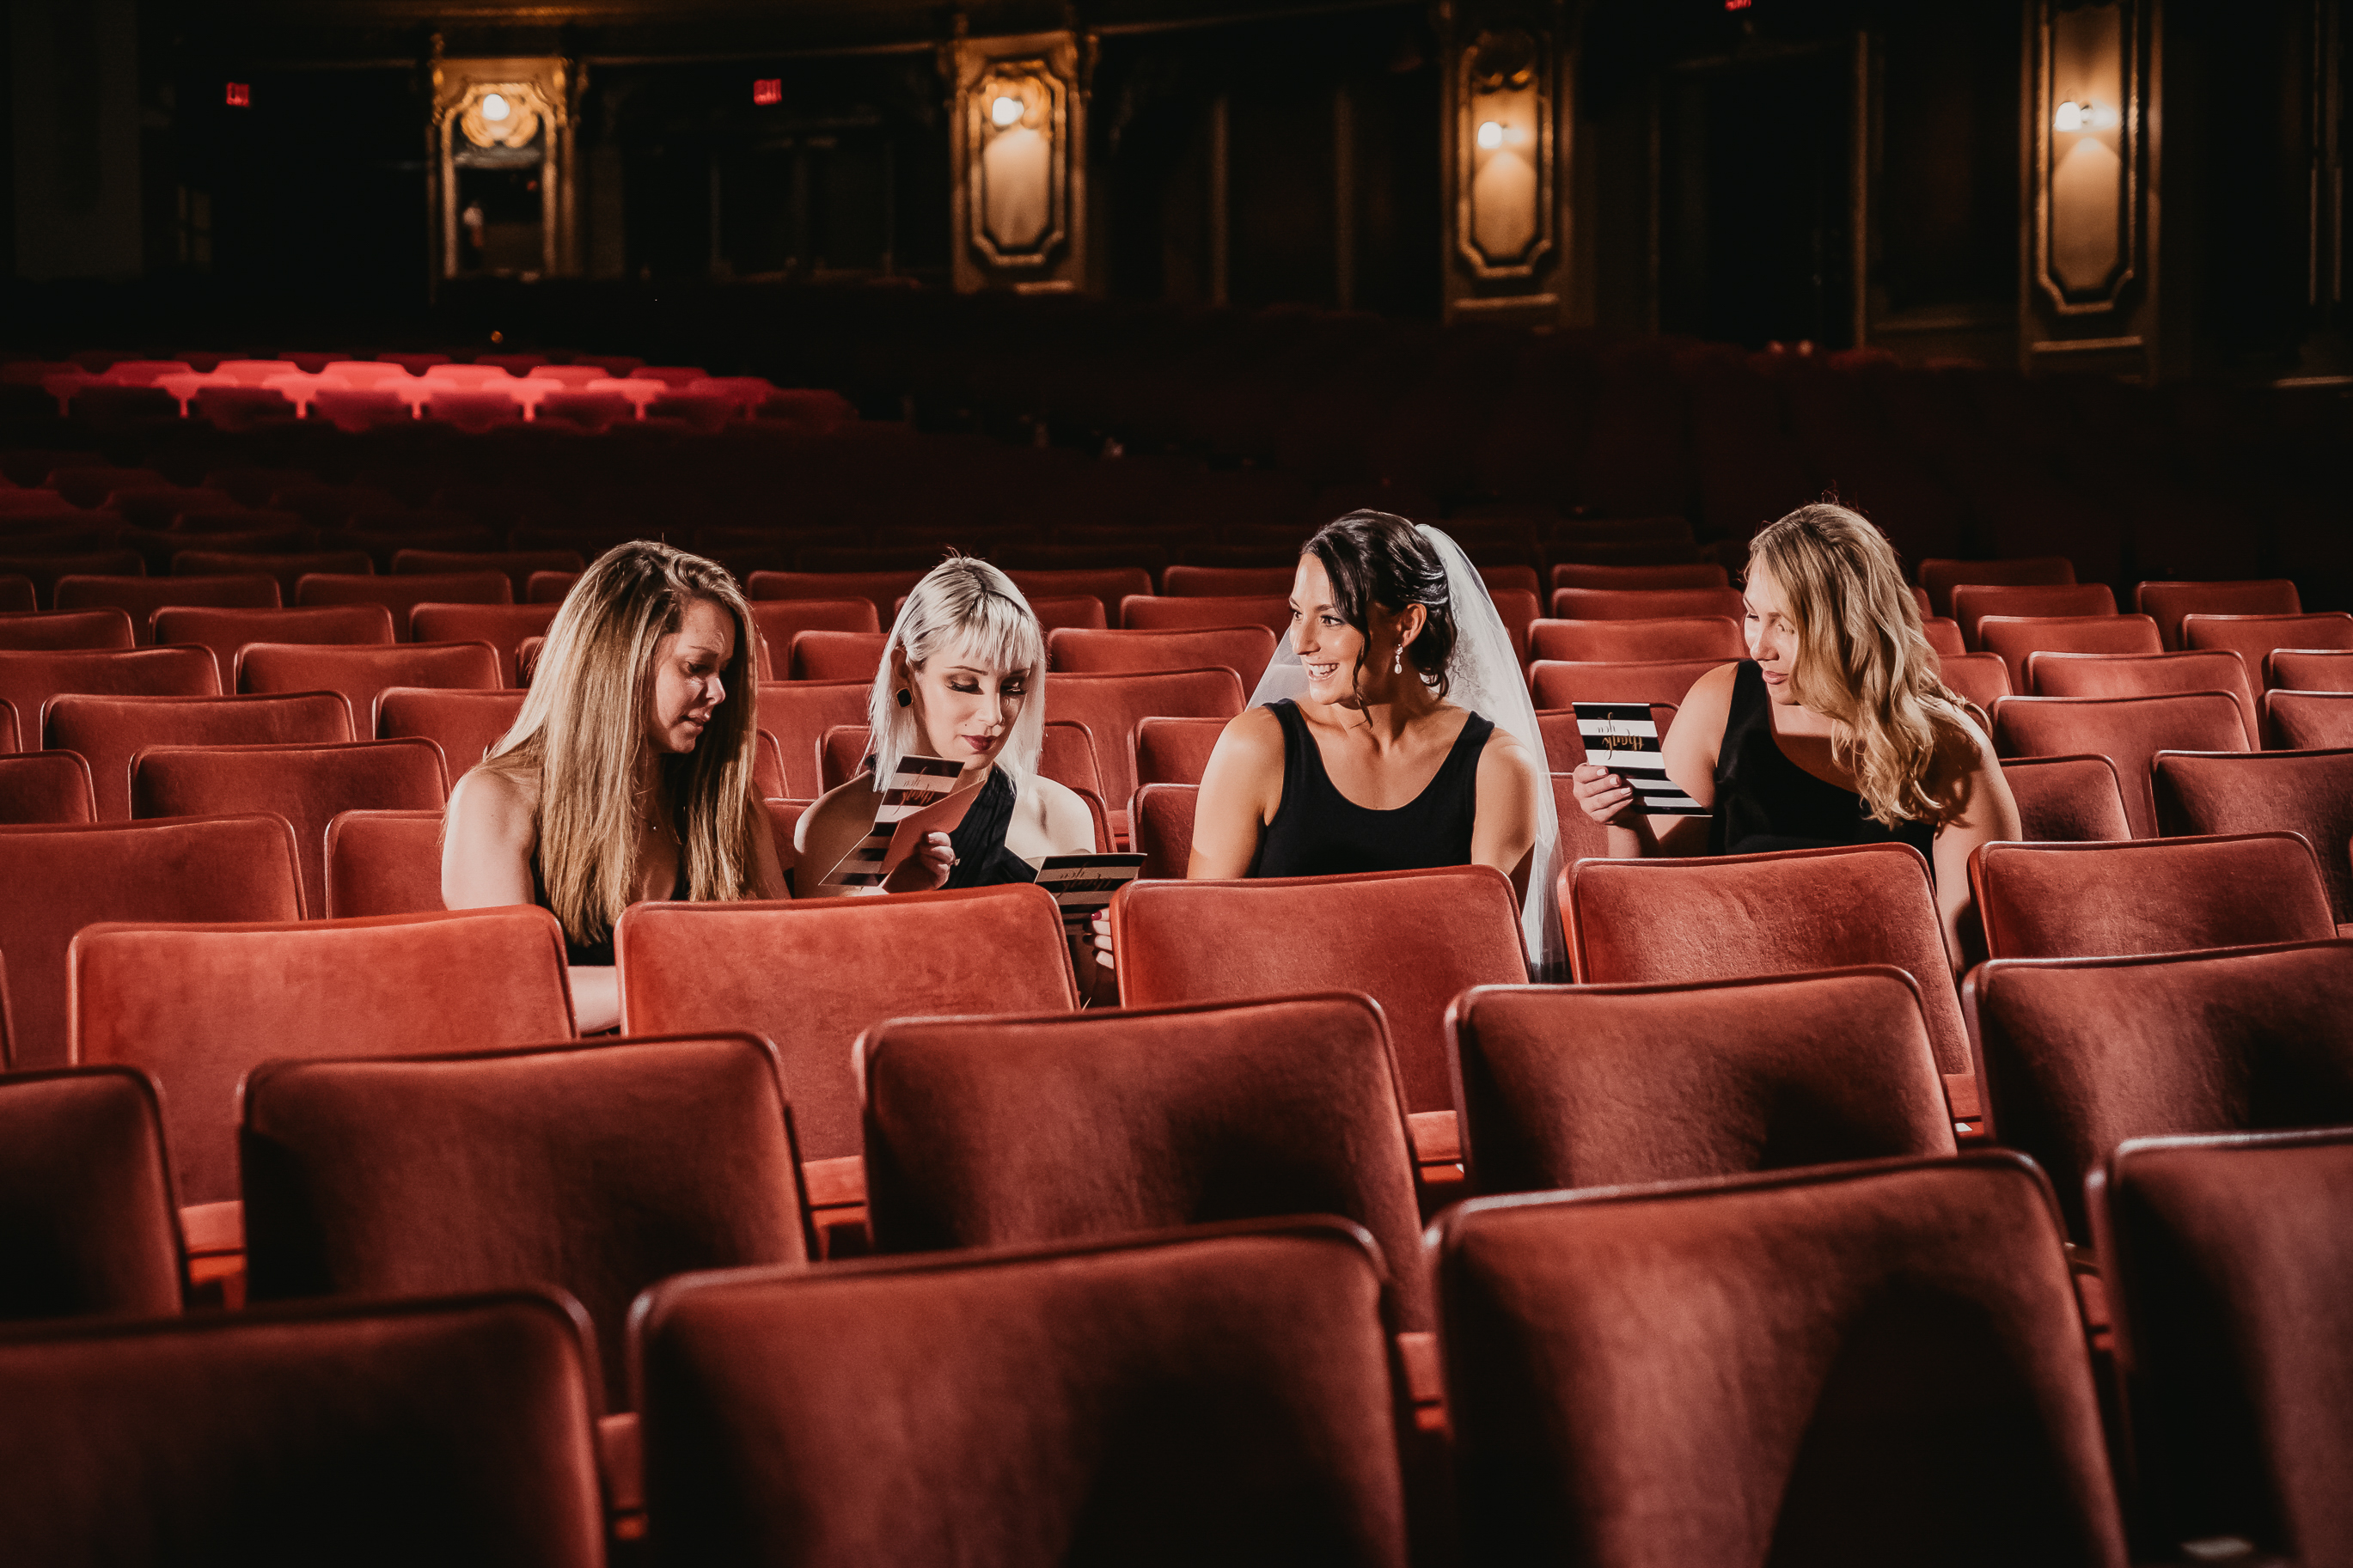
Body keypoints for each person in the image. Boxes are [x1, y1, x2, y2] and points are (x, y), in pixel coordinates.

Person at [1570, 502, 2022, 971]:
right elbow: (1655, 904)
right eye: (1752, 615)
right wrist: (1625, 820)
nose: (1758, 647)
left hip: (1879, 1002)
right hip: (1726, 986)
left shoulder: (1952, 748)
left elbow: (1963, 964)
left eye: (1785, 626)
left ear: (1851, 625)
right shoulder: (1717, 702)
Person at [1179, 509, 1560, 973]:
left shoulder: (1497, 766)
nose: (1300, 643)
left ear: (1407, 625)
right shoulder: (1255, 746)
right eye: (1297, 613)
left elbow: (1485, 958)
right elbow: (1202, 940)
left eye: (1331, 619)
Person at [443, 540, 793, 1031]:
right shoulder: (495, 798)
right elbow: (512, 992)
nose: (719, 692)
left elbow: (782, 957)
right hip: (572, 1071)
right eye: (697, 667)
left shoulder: (727, 798)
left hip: (714, 1058)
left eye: (725, 671)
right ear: (620, 663)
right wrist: (691, 980)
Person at [796, 554, 1096, 898]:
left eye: (1013, 687)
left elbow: (1085, 933)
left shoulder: (1059, 814)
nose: (993, 716)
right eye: (963, 684)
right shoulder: (835, 826)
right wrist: (892, 895)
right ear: (904, 672)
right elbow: (838, 935)